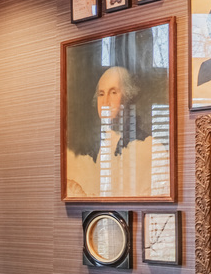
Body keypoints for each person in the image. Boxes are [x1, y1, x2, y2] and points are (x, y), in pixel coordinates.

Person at [65, 66, 156, 198]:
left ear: (127, 96)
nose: (105, 102)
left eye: (113, 92)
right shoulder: (89, 149)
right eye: (101, 94)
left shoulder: (147, 147)